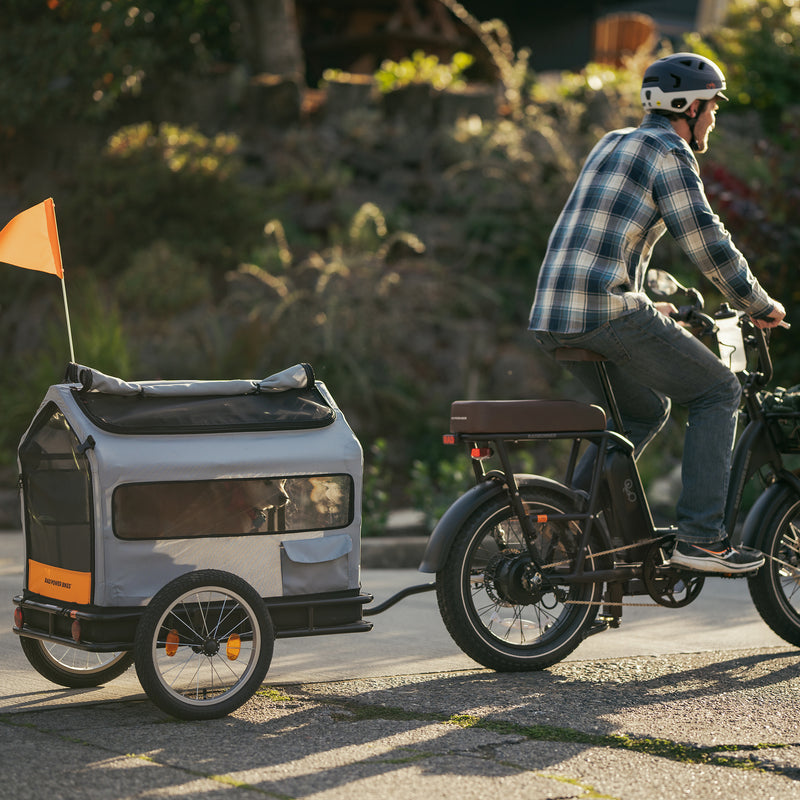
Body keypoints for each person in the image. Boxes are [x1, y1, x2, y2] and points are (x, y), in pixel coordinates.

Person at [529, 52, 786, 574]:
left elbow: (599, 237)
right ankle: (702, 539)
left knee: (644, 412)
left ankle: (568, 533)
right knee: (719, 391)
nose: (714, 116)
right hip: (604, 310)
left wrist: (648, 298)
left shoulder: (613, 142)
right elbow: (707, 244)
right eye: (712, 106)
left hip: (553, 314)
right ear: (688, 107)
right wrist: (760, 304)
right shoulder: (669, 151)